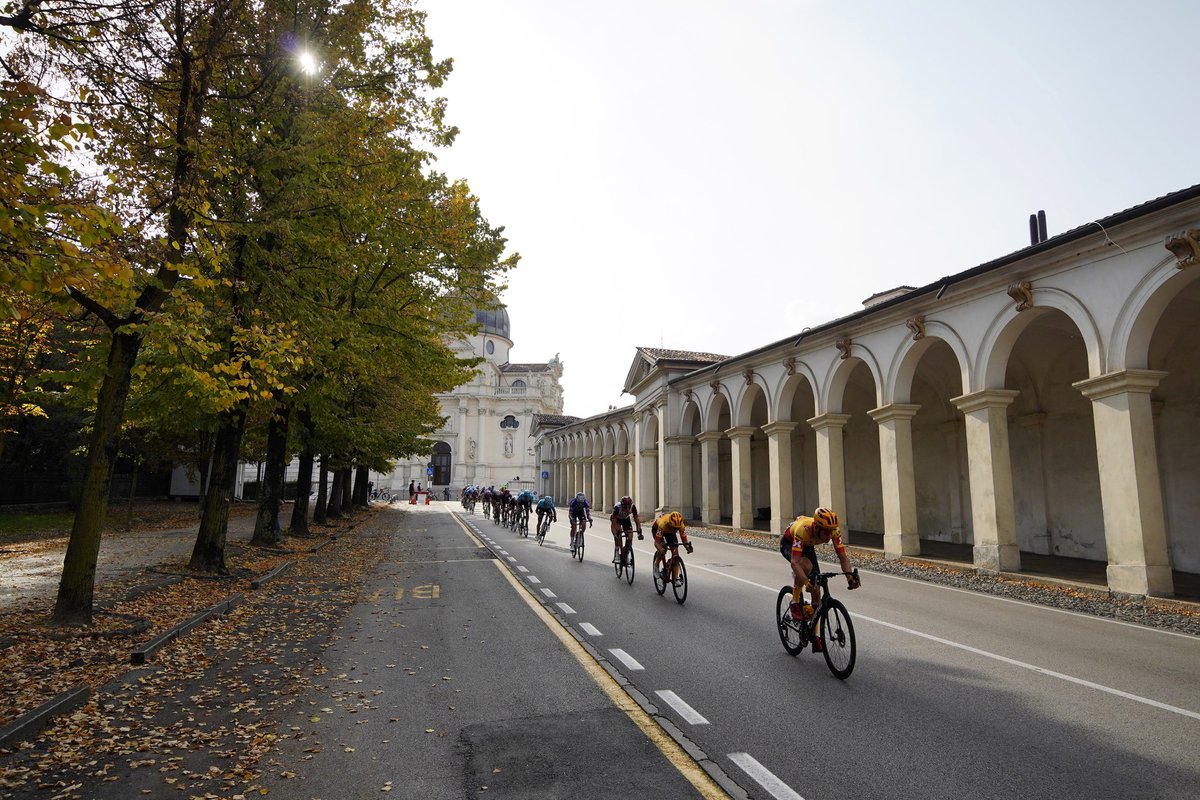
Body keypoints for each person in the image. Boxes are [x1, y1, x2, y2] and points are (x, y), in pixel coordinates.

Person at [780, 507, 860, 651]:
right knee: (805, 565)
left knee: (816, 590)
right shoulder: (802, 530)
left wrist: (850, 577)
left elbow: (843, 557)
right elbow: (795, 562)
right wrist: (805, 581)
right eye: (825, 531)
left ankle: (814, 635)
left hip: (808, 545)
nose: (829, 535)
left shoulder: (833, 531)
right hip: (789, 543)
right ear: (816, 527)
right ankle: (795, 601)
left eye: (831, 531)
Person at [651, 511, 691, 582]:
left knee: (675, 552)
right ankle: (656, 565)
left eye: (676, 529)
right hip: (657, 529)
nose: (675, 530)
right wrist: (660, 549)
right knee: (663, 548)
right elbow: (656, 543)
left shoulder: (680, 525)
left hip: (670, 533)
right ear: (670, 523)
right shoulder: (663, 524)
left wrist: (687, 547)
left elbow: (684, 540)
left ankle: (675, 578)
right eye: (674, 528)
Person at [609, 495, 642, 565]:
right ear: (622, 505)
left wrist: (639, 532)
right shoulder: (617, 508)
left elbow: (637, 520)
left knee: (630, 537)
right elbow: (613, 524)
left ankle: (626, 553)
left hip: (626, 519)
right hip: (617, 520)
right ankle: (617, 553)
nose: (627, 509)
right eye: (625, 507)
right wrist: (615, 534)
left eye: (628, 507)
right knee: (618, 535)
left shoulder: (633, 507)